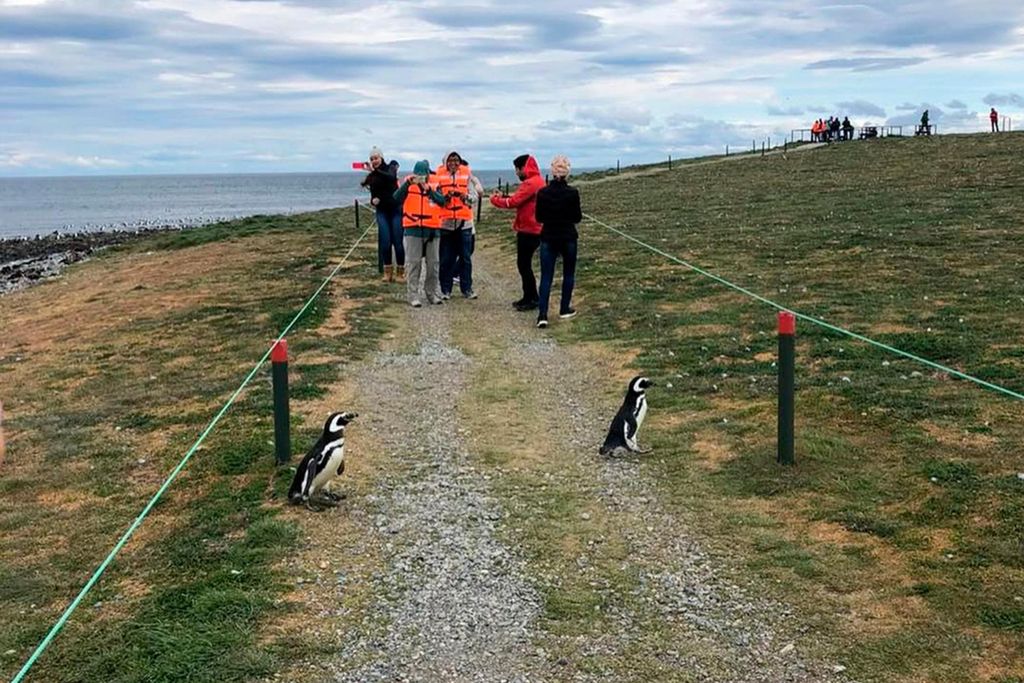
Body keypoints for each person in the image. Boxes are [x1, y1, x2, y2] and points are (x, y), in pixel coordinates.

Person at [490, 155, 545, 311]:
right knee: (525, 264)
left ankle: (531, 297)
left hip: (529, 229)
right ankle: (530, 296)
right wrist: (505, 197)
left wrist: (495, 199)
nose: (516, 173)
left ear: (523, 168)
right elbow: (519, 199)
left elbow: (513, 202)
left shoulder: (530, 183)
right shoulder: (538, 181)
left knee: (524, 264)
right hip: (535, 228)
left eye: (517, 169)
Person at [533, 155, 582, 329]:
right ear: (567, 172)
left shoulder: (543, 193)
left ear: (552, 172)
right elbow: (577, 217)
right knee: (568, 274)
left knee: (546, 276)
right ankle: (564, 309)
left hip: (548, 237)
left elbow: (539, 217)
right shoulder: (572, 193)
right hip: (568, 236)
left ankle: (542, 314)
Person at [393, 160, 447, 308]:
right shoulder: (408, 185)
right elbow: (396, 198)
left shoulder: (436, 186)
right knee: (413, 263)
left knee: (433, 264)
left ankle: (431, 294)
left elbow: (442, 202)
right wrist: (407, 184)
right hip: (413, 229)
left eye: (424, 175)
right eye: (418, 176)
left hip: (432, 230)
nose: (421, 179)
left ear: (429, 174)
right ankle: (413, 295)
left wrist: (429, 190)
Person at [435, 151, 485, 300]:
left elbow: (475, 197)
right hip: (446, 223)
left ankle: (467, 288)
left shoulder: (467, 175)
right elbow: (435, 198)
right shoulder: (439, 177)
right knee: (446, 258)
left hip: (464, 223)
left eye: (456, 160)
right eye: (450, 160)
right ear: (445, 162)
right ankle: (445, 289)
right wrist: (445, 198)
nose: (454, 163)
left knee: (465, 258)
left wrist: (465, 197)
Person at [360, 147, 404, 283]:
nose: (374, 161)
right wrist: (373, 201)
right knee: (385, 243)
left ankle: (401, 272)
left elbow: (391, 177)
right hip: (382, 211)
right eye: (372, 159)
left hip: (395, 210)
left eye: (376, 158)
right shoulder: (373, 176)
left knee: (398, 242)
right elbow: (374, 195)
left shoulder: (391, 167)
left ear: (382, 158)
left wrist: (375, 171)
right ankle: (387, 273)